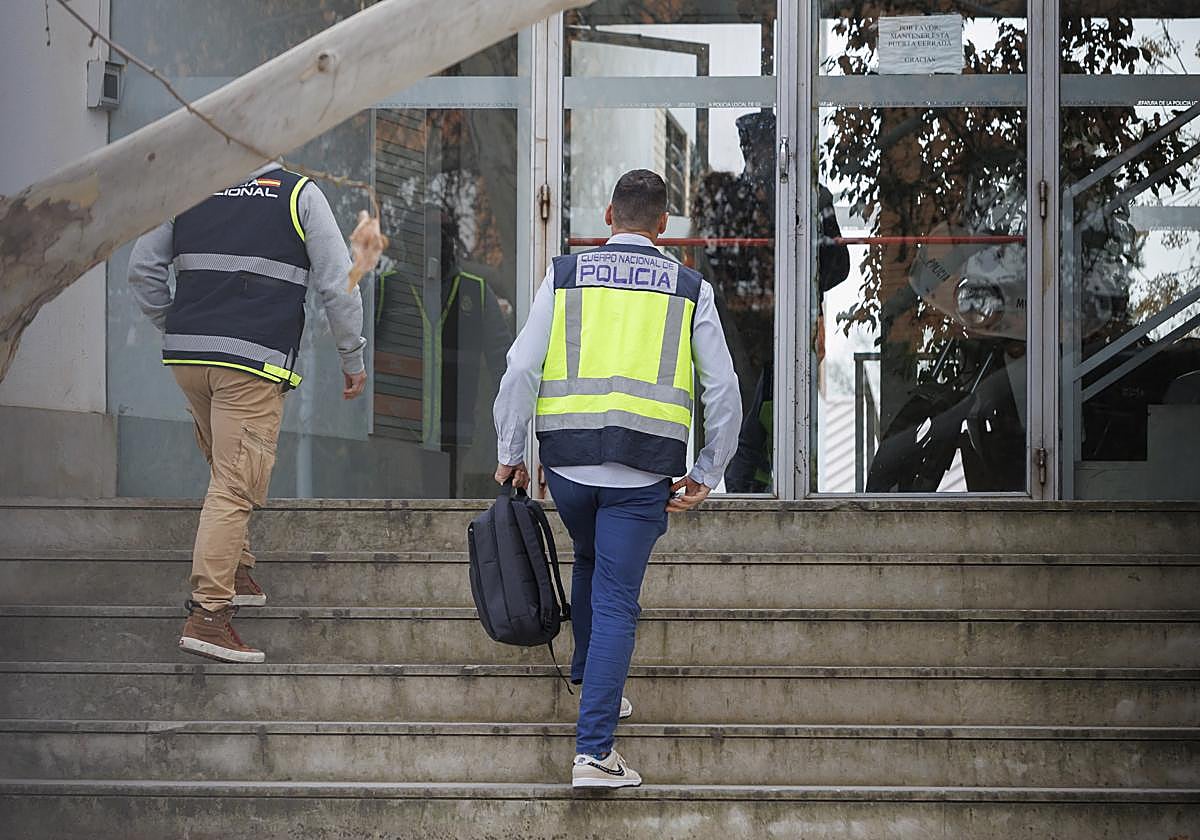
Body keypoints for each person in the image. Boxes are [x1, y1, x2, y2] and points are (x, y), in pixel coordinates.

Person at [492, 169, 741, 788]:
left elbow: (520, 368)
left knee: (589, 558)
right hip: (642, 470)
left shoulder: (565, 273)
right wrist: (708, 470)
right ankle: (595, 752)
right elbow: (723, 389)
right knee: (615, 601)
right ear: (664, 225)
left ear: (608, 216)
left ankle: (589, 675)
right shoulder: (688, 288)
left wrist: (510, 451)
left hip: (569, 467)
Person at [128, 162, 367, 663]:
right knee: (236, 483)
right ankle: (209, 615)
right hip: (250, 361)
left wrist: (176, 325)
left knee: (225, 468)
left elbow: (142, 270)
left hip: (190, 358)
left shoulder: (188, 185)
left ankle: (235, 570)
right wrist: (352, 357)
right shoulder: (297, 194)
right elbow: (339, 283)